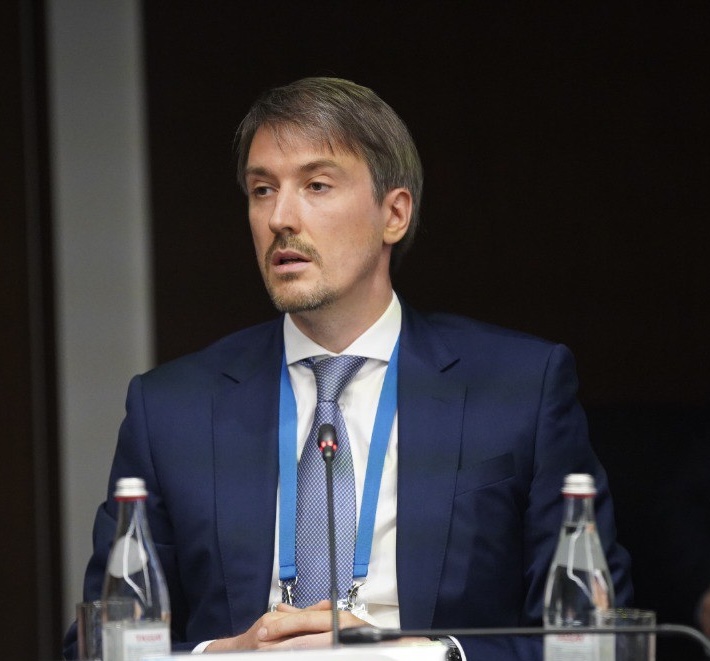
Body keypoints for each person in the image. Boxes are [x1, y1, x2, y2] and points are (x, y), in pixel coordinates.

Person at [63, 77, 632, 660]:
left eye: (316, 185)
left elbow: (597, 639)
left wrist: (424, 655)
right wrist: (221, 656)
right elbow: (96, 648)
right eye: (262, 190)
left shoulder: (517, 387)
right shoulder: (171, 409)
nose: (280, 217)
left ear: (395, 214)